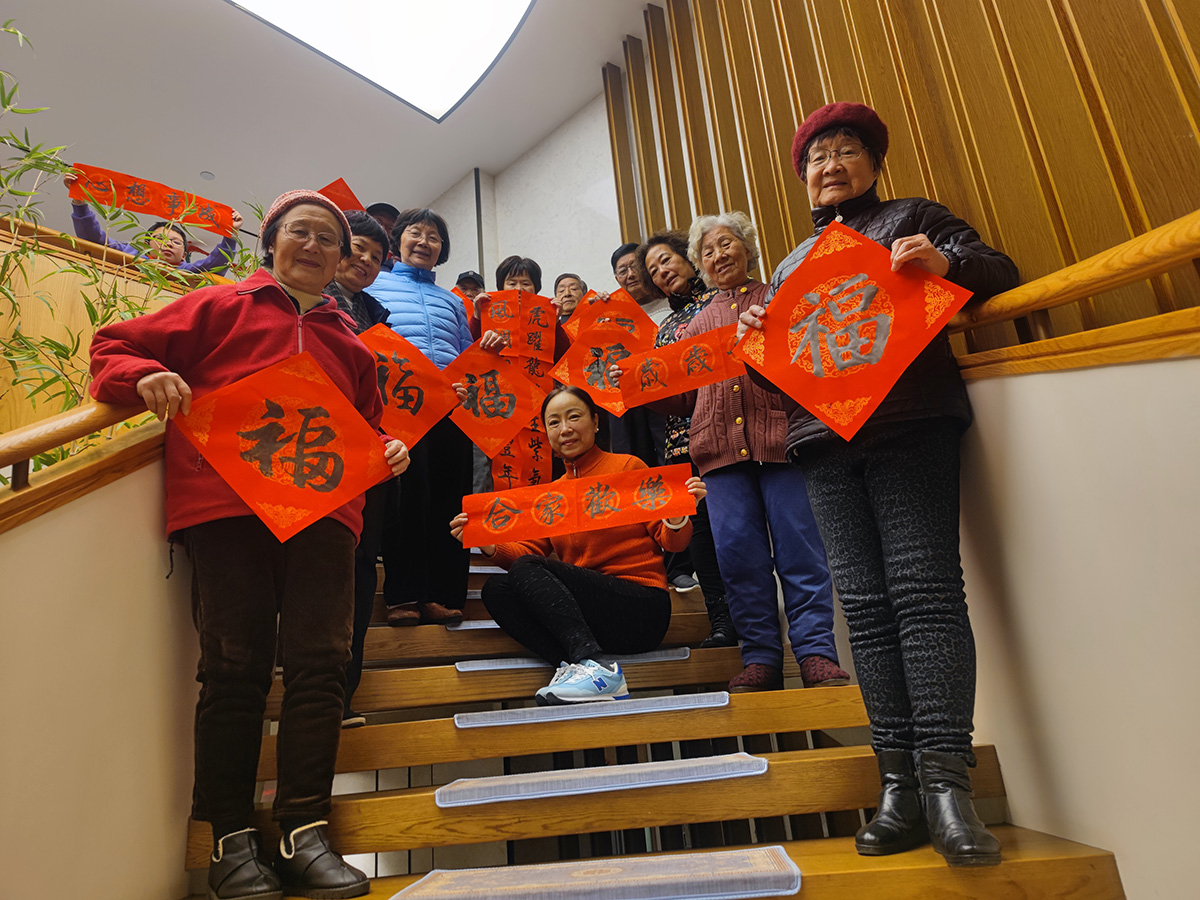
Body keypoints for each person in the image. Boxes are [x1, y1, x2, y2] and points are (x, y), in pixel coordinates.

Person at [88, 189, 411, 900]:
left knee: (322, 667)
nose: (314, 246)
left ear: (342, 259)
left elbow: (367, 425)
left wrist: (388, 447)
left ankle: (304, 832)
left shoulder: (353, 345)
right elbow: (112, 346)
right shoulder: (217, 306)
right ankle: (228, 841)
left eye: (328, 239)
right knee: (235, 668)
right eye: (300, 232)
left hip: (325, 515)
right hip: (226, 506)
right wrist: (146, 375)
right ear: (271, 243)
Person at [738, 102, 1019, 867]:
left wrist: (944, 263)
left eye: (846, 150)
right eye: (816, 157)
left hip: (909, 421)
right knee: (862, 610)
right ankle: (898, 784)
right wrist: (757, 342)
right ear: (803, 179)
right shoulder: (791, 264)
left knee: (926, 594)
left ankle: (948, 788)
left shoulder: (913, 218)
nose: (830, 165)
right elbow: (781, 374)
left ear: (873, 164)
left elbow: (999, 270)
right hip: (820, 443)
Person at [617, 212, 847, 692]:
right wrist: (640, 384)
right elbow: (684, 400)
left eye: (726, 244)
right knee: (739, 559)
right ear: (699, 264)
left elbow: (807, 361)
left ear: (747, 248)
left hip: (782, 445)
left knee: (801, 553)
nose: (718, 255)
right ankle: (760, 657)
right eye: (708, 251)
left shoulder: (778, 299)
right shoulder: (692, 326)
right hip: (718, 455)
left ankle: (816, 654)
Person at [449, 385, 706, 705]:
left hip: (641, 609)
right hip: (592, 618)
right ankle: (573, 665)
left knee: (527, 568)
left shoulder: (628, 467)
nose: (565, 429)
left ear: (596, 422)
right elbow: (526, 554)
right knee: (496, 590)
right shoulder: (552, 495)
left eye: (574, 417)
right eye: (554, 422)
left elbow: (674, 543)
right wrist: (488, 543)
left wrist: (676, 518)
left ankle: (597, 668)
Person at [634, 231, 734, 646]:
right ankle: (721, 621)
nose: (662, 271)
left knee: (735, 531)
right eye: (653, 270)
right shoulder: (664, 328)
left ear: (689, 257)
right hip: (681, 442)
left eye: (666, 260)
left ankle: (752, 617)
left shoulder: (721, 301)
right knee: (702, 536)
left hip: (729, 433)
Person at [323, 210, 391, 728]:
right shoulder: (303, 302)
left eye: (376, 256)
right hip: (313, 451)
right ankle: (315, 692)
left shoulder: (377, 317)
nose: (365, 260)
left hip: (369, 454)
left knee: (362, 568)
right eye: (358, 248)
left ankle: (341, 694)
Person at [64, 172, 242, 275]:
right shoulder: (129, 253)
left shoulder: (184, 271)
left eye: (176, 242)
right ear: (145, 245)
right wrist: (79, 202)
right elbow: (94, 239)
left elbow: (213, 266)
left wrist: (230, 234)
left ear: (183, 255)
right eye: (161, 239)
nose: (168, 244)